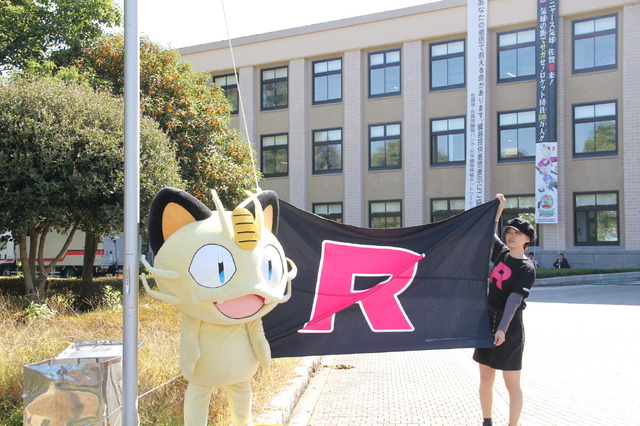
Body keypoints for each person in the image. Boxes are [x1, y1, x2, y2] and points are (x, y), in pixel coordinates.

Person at [473, 194, 536, 426]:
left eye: (517, 233)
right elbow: (488, 232)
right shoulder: (501, 253)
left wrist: (502, 329)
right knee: (485, 378)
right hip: (487, 319)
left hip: (509, 327)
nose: (511, 236)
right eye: (509, 232)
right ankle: (487, 421)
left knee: (511, 383)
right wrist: (499, 210)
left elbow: (514, 301)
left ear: (527, 239)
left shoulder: (527, 267)